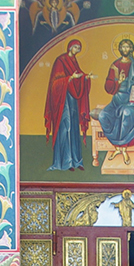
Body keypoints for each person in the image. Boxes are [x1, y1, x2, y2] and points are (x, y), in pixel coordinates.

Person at [46, 39, 92, 171]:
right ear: (70, 47)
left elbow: (78, 76)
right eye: (76, 47)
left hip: (72, 100)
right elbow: (55, 83)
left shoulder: (73, 61)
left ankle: (76, 161)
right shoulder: (60, 61)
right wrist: (70, 78)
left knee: (74, 128)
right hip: (62, 100)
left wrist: (85, 77)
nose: (77, 50)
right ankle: (65, 162)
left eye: (79, 48)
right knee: (66, 127)